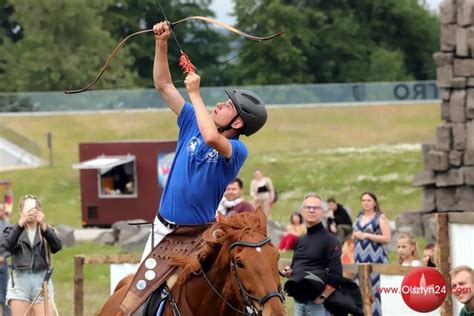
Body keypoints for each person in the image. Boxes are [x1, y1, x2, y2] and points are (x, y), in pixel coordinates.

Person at [140, 21, 267, 262]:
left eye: (228, 106)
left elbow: (211, 137)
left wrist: (195, 94)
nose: (219, 104)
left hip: (198, 237)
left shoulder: (238, 149)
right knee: (137, 298)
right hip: (161, 231)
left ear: (238, 124)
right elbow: (164, 85)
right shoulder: (191, 120)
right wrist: (161, 43)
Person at [283, 193, 342, 316]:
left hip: (319, 307)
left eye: (316, 208)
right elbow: (296, 267)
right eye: (308, 207)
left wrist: (321, 298)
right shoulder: (300, 240)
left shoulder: (330, 240)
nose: (311, 210)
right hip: (298, 304)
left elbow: (336, 276)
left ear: (323, 212)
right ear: (302, 211)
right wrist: (290, 272)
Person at [3, 195, 62, 316]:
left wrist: (44, 226)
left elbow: (57, 247)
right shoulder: (12, 230)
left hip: (42, 280)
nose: (31, 212)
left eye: (34, 209)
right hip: (20, 281)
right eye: (28, 209)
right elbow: (7, 246)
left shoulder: (47, 230)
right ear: (21, 211)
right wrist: (20, 224)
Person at [352, 191, 391, 316]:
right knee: (359, 288)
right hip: (359, 257)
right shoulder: (359, 217)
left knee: (375, 290)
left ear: (374, 202)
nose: (366, 203)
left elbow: (387, 238)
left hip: (375, 257)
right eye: (363, 200)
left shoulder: (380, 217)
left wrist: (366, 235)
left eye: (369, 200)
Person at [0, 204, 11, 316]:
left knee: (4, 295)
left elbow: (12, 246)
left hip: (2, 265)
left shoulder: (8, 227)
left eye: (1, 210)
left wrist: (4, 257)